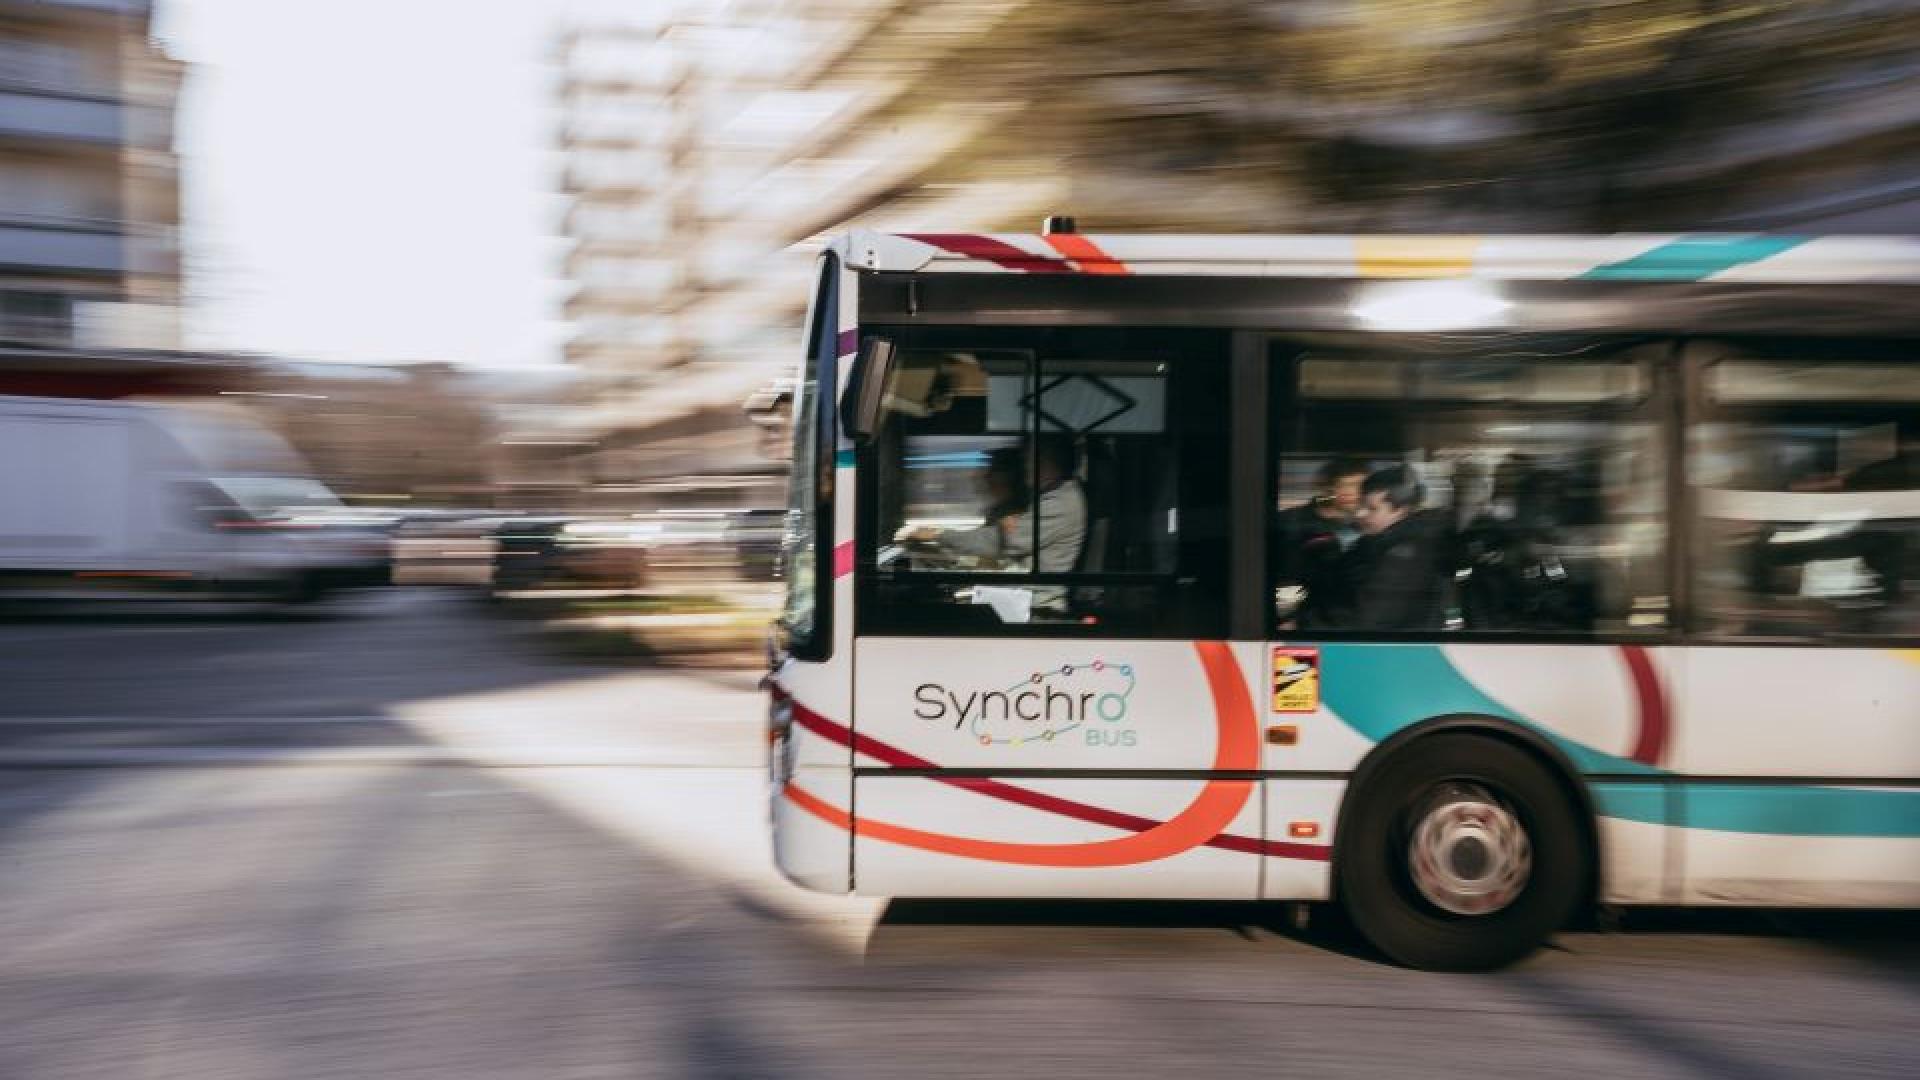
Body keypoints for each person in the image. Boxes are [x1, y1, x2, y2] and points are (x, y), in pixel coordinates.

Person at [1346, 464, 1451, 630]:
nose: (1360, 514)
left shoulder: (1406, 554)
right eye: (1361, 506)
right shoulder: (1376, 545)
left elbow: (1372, 618)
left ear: (1400, 511)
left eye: (1371, 508)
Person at [1274, 457, 1367, 629]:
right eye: (1342, 485)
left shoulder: (1362, 528)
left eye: (1359, 486)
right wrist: (1288, 618)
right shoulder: (1293, 522)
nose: (1351, 492)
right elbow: (1287, 579)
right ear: (1327, 488)